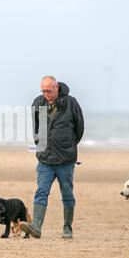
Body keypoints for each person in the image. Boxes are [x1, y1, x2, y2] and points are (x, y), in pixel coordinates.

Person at [20, 76, 84, 239]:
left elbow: (79, 129)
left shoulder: (71, 103)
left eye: (49, 90)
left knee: (67, 195)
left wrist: (68, 145)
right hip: (45, 159)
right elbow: (36, 128)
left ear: (57, 88)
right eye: (43, 91)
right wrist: (41, 145)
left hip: (65, 159)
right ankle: (36, 227)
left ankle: (67, 228)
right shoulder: (38, 103)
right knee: (41, 192)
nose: (46, 94)